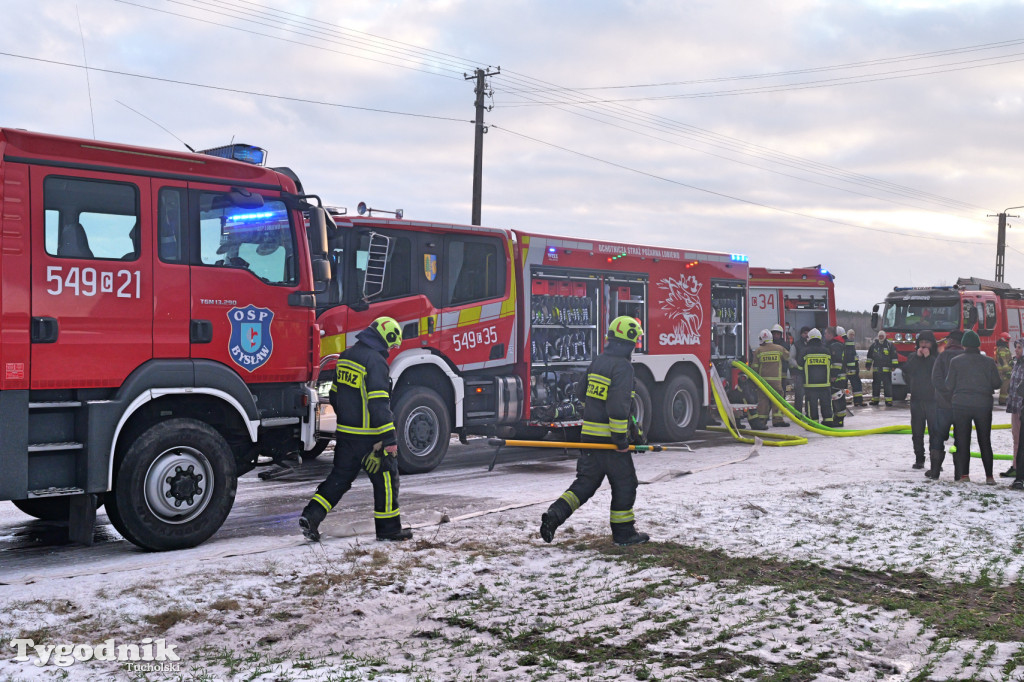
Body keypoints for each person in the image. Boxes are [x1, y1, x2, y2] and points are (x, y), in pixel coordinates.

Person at [299, 317, 412, 542]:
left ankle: (311, 516)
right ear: (386, 337)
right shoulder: (376, 362)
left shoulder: (347, 357)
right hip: (371, 439)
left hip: (347, 436)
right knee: (387, 479)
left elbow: (334, 394)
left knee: (339, 479)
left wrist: (348, 422)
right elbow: (379, 403)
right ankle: (389, 530)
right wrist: (389, 439)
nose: (389, 350)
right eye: (391, 344)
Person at [540, 316, 649, 546]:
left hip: (589, 439)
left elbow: (581, 393)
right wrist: (621, 441)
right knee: (626, 484)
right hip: (609, 443)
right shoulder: (623, 368)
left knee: (585, 484)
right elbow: (617, 408)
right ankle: (624, 534)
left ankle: (554, 515)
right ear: (628, 342)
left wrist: (634, 433)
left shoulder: (599, 362)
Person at [945, 330, 1001, 484]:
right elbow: (997, 384)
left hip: (961, 405)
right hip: (983, 405)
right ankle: (989, 477)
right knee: (985, 440)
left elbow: (949, 385)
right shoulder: (989, 362)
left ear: (964, 345)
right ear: (978, 345)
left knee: (963, 440)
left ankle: (964, 475)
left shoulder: (955, 361)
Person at [928, 330, 965, 480]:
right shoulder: (966, 358)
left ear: (950, 341)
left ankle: (935, 471)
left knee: (937, 437)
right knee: (961, 439)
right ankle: (959, 474)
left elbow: (935, 379)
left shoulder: (942, 356)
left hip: (943, 405)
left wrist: (945, 393)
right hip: (962, 406)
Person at [903, 330, 939, 470]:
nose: (923, 346)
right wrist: (918, 358)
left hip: (932, 399)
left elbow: (938, 372)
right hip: (917, 399)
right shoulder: (913, 356)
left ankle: (936, 460)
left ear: (932, 344)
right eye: (921, 343)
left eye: (927, 343)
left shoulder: (936, 357)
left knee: (934, 432)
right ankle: (919, 459)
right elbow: (907, 370)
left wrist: (928, 358)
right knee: (917, 432)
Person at [750, 329, 791, 429]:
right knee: (778, 399)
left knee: (763, 400)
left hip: (763, 381)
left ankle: (762, 420)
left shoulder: (758, 350)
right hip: (776, 381)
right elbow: (788, 357)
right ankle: (778, 420)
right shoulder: (779, 348)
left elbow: (754, 367)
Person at [798, 328, 833, 426]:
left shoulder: (805, 351)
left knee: (811, 405)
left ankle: (813, 423)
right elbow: (831, 366)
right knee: (826, 404)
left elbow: (800, 368)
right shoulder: (826, 351)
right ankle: (828, 421)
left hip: (810, 385)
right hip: (825, 384)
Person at [1002, 338, 1024, 479]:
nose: (1015, 350)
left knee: (1021, 439)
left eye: (1019, 348)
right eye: (1015, 347)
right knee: (1016, 438)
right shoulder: (1017, 362)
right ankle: (1016, 466)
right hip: (1015, 407)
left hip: (1022, 408)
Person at [867, 331, 898, 406]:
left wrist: (894, 366)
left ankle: (889, 401)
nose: (881, 337)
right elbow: (870, 357)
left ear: (884, 336)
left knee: (887, 385)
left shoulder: (889, 345)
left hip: (886, 370)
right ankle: (875, 400)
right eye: (879, 336)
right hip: (876, 369)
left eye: (882, 336)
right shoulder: (874, 345)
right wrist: (868, 365)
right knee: (875, 385)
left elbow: (894, 356)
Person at [827, 327, 848, 427]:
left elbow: (837, 362)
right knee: (838, 398)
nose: (825, 336)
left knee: (837, 398)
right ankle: (838, 418)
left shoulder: (835, 345)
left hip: (838, 377)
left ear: (832, 335)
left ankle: (839, 420)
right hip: (840, 377)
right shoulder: (837, 344)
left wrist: (833, 375)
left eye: (826, 334)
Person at [789, 326, 811, 414]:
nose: (806, 335)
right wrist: (797, 365)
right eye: (805, 333)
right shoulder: (796, 345)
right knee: (799, 394)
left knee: (809, 394)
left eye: (808, 333)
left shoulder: (812, 344)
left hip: (810, 374)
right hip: (799, 373)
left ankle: (808, 412)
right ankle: (798, 413)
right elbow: (791, 358)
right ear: (801, 334)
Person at [770, 323, 791, 398]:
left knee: (781, 392)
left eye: (777, 334)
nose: (776, 336)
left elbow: (788, 359)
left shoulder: (785, 345)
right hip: (771, 374)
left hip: (782, 373)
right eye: (774, 334)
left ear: (781, 334)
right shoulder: (769, 345)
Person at [845, 328, 864, 406]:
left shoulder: (852, 345)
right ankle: (845, 400)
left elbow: (855, 359)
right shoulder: (847, 344)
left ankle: (858, 401)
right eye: (851, 334)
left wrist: (857, 368)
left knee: (857, 385)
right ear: (847, 335)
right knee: (845, 386)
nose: (852, 336)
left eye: (853, 335)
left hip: (853, 369)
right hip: (848, 370)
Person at [996, 332, 1013, 406]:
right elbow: (1003, 361)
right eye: (1007, 339)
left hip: (1004, 371)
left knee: (1007, 386)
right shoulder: (1002, 349)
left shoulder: (1003, 348)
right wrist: (1007, 371)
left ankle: (1005, 400)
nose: (1008, 341)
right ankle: (1002, 401)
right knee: (1005, 386)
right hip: (1004, 372)